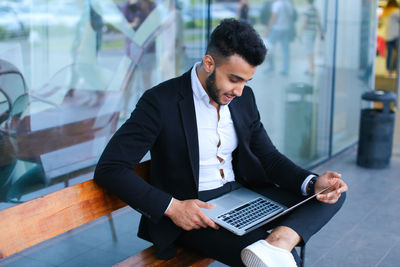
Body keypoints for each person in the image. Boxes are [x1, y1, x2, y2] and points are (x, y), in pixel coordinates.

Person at [94, 19, 347, 267]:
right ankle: (276, 249)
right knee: (278, 263)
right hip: (196, 212)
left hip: (241, 195)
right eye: (234, 79)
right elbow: (111, 168)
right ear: (209, 63)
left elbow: (268, 156)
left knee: (330, 193)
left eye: (246, 81)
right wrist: (173, 208)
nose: (239, 90)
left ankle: (279, 241)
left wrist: (312, 183)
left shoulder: (243, 98)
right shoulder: (160, 101)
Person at [264, 0, 296, 75]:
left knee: (270, 47)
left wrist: (268, 29)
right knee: (286, 50)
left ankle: (271, 66)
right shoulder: (289, 4)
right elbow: (291, 17)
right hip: (286, 29)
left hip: (276, 29)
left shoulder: (277, 4)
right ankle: (286, 69)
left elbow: (274, 17)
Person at [300, 0, 323, 75]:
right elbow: (318, 22)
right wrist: (321, 33)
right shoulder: (316, 10)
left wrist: (300, 33)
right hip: (314, 32)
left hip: (308, 33)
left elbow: (304, 23)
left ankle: (311, 69)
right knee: (311, 50)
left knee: (309, 51)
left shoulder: (307, 10)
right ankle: (311, 67)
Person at [381, 0, 400, 77]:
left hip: (387, 36)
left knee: (389, 54)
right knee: (397, 54)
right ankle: (394, 70)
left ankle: (387, 70)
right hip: (395, 36)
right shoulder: (396, 11)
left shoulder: (385, 12)